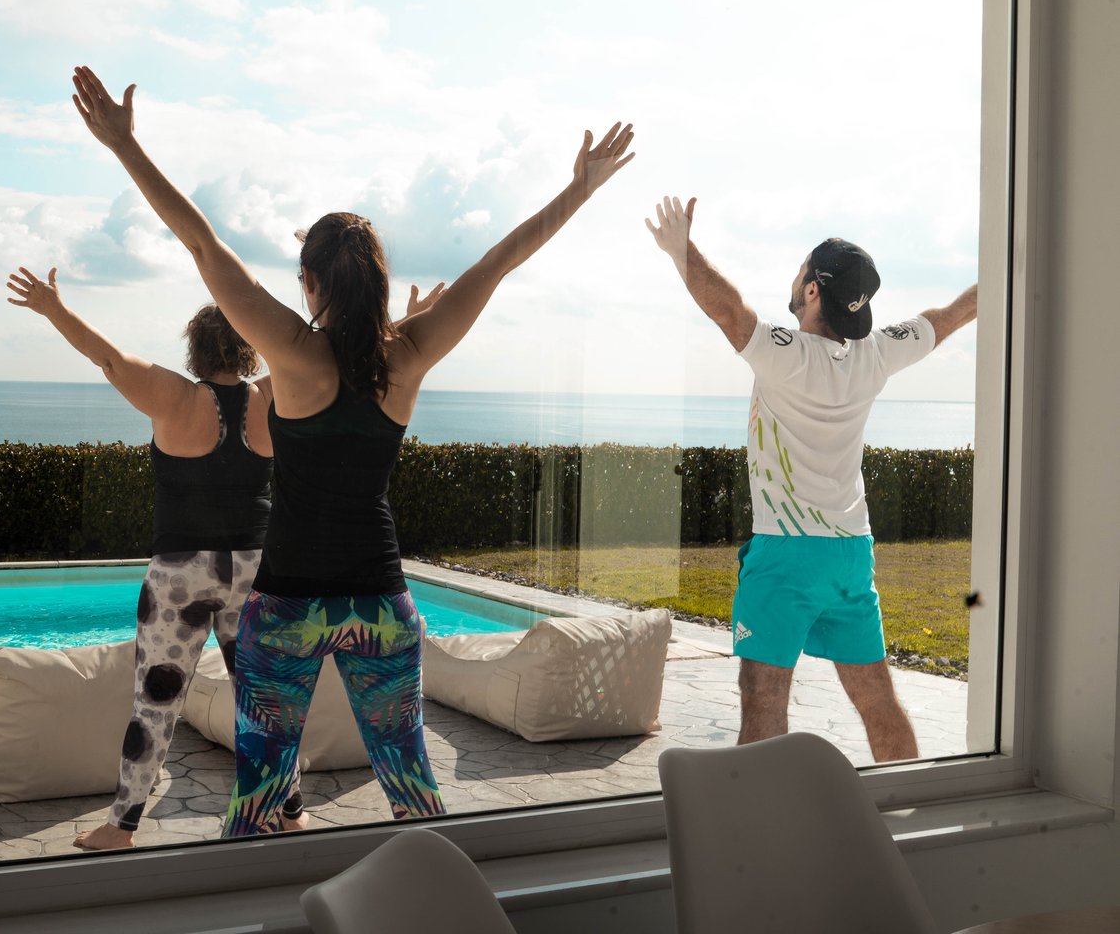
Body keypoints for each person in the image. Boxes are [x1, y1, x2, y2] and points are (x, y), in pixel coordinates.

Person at [67, 64, 634, 835]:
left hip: (288, 606)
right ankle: (440, 888)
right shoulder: (411, 352)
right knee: (411, 787)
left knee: (259, 801)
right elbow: (499, 261)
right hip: (379, 600)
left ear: (308, 281)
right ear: (378, 279)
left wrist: (125, 147)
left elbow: (200, 242)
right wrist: (581, 188)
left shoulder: (294, 353)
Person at [644, 195, 978, 761]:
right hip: (850, 553)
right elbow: (947, 317)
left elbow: (729, 311)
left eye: (801, 271)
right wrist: (1002, 277)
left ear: (814, 291)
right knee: (876, 698)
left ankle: (763, 815)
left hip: (787, 553)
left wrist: (681, 251)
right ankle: (907, 800)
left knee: (763, 697)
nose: (794, 278)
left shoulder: (788, 355)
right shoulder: (876, 355)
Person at [3, 265, 304, 848]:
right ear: (248, 346)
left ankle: (121, 828)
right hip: (254, 567)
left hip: (181, 572)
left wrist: (53, 308)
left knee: (156, 703)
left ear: (195, 350)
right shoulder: (273, 393)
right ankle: (290, 810)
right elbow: (335, 360)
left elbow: (108, 357)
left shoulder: (176, 396)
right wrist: (401, 323)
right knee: (265, 700)